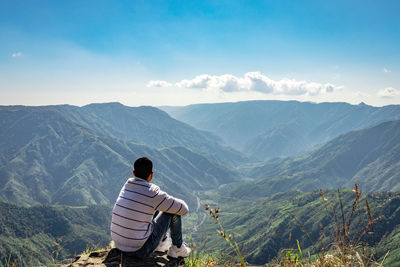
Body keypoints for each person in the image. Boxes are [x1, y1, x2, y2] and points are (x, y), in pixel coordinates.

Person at [110, 157, 191, 258]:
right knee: (171, 212)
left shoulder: (127, 187)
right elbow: (184, 209)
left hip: (118, 245)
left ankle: (162, 241)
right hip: (139, 250)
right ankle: (177, 249)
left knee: (151, 207)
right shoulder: (152, 194)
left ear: (134, 173)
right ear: (151, 175)